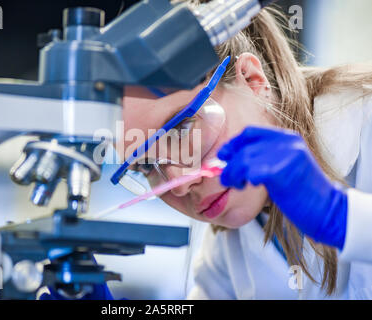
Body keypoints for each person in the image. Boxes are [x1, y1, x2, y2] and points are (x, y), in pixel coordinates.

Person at [119, 4, 372, 299]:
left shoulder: (365, 119)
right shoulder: (226, 248)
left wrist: (345, 218)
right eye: (146, 164)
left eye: (183, 128)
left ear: (253, 80)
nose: (181, 183)